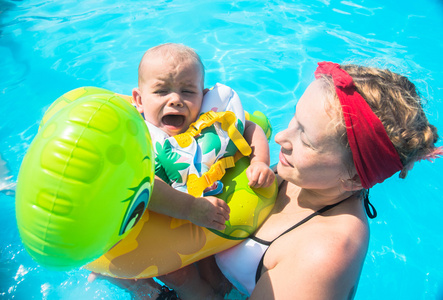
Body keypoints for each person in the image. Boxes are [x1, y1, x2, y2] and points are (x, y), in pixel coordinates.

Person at [195, 61, 441, 299]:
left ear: (353, 178)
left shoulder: (323, 254)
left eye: (306, 140)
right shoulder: (306, 175)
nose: (280, 137)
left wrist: (180, 279)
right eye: (296, 119)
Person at [89, 43, 275, 300]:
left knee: (217, 281)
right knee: (180, 278)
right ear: (139, 100)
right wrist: (190, 208)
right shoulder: (136, 137)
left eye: (187, 91)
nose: (175, 99)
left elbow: (250, 128)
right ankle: (135, 284)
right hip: (149, 224)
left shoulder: (211, 124)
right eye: (161, 91)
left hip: (204, 212)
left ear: (204, 95)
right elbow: (144, 185)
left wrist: (259, 162)